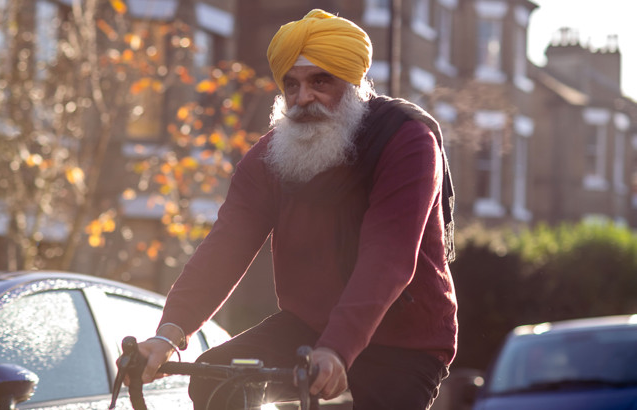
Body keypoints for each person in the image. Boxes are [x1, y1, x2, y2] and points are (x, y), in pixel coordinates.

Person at [133, 8, 458, 410]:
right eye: (292, 84)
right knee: (216, 379)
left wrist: (338, 348)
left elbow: (388, 257)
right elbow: (223, 250)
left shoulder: (406, 140)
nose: (303, 98)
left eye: (320, 81)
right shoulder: (268, 158)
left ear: (354, 83)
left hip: (404, 337)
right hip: (308, 326)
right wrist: (167, 335)